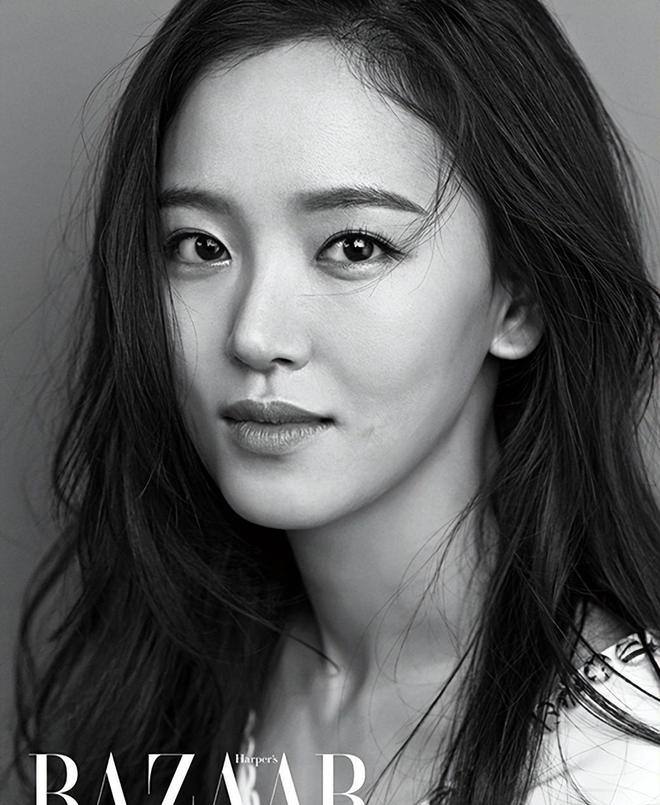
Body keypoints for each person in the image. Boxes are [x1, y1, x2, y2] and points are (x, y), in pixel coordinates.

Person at [11, 0, 660, 803]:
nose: (254, 334)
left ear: (518, 297)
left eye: (354, 246)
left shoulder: (621, 765)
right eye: (201, 245)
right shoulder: (172, 676)